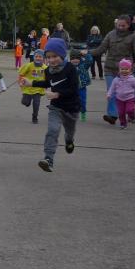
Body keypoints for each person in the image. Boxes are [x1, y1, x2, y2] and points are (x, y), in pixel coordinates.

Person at [19, 39, 79, 173]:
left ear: (62, 55)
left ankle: (69, 140)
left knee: (69, 132)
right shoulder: (48, 70)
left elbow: (74, 89)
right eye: (48, 57)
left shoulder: (70, 69)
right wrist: (31, 83)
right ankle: (48, 159)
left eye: (55, 56)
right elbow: (47, 83)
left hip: (71, 108)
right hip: (56, 107)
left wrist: (57, 94)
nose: (51, 60)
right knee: (53, 130)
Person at [90, 15, 135, 125]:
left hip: (125, 70)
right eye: (119, 25)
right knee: (112, 91)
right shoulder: (111, 34)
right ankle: (113, 115)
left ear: (128, 25)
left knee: (125, 94)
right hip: (110, 68)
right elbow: (101, 48)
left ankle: (129, 112)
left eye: (123, 26)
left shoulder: (133, 36)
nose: (120, 27)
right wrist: (88, 53)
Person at [106, 59, 135, 130]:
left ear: (130, 70)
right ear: (119, 69)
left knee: (129, 110)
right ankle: (123, 124)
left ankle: (132, 117)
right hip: (119, 99)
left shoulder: (133, 80)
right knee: (121, 113)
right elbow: (112, 88)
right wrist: (109, 95)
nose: (124, 71)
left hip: (130, 98)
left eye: (126, 69)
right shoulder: (116, 79)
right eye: (122, 69)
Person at [18, 49, 47, 124]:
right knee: (25, 102)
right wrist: (20, 82)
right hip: (28, 88)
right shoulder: (29, 65)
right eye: (36, 56)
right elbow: (21, 74)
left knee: (36, 103)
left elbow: (47, 78)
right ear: (33, 57)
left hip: (38, 89)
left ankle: (35, 117)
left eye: (40, 57)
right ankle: (27, 101)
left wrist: (46, 86)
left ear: (43, 58)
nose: (38, 58)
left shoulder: (45, 68)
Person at [68, 47, 93, 121]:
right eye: (73, 58)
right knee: (71, 102)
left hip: (81, 87)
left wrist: (86, 54)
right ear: (70, 59)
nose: (75, 60)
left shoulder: (83, 65)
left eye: (77, 58)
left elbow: (90, 61)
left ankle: (83, 112)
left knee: (82, 101)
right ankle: (72, 113)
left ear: (80, 58)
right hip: (71, 88)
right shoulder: (68, 66)